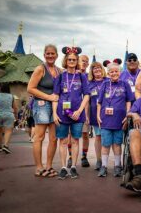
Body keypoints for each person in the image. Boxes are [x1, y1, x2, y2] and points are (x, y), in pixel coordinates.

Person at [53, 47, 89, 180]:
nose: (72, 61)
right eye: (70, 59)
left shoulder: (82, 76)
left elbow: (86, 95)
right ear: (66, 61)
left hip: (77, 115)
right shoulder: (60, 76)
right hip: (62, 114)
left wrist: (79, 111)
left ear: (77, 61)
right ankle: (63, 167)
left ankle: (73, 166)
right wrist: (54, 114)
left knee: (75, 140)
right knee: (62, 141)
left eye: (74, 59)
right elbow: (56, 96)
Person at [27, 44, 60, 177]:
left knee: (53, 138)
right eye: (48, 53)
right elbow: (30, 88)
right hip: (41, 104)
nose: (50, 56)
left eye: (53, 53)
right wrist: (48, 97)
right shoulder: (40, 69)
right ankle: (39, 167)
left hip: (55, 106)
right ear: (44, 55)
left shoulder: (59, 71)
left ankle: (49, 166)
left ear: (57, 55)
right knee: (39, 137)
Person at [97, 59, 133, 177]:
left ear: (119, 72)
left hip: (120, 119)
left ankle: (118, 166)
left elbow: (128, 101)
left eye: (116, 71)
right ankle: (104, 167)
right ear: (108, 73)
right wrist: (98, 115)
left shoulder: (125, 84)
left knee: (117, 144)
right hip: (105, 120)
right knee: (105, 144)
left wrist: (127, 115)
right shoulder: (105, 84)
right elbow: (99, 102)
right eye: (111, 72)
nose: (114, 73)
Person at [67, 54, 91, 168]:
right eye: (82, 60)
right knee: (71, 135)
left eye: (86, 61)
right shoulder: (70, 74)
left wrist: (86, 114)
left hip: (85, 109)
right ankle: (71, 156)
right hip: (72, 109)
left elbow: (88, 96)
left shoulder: (89, 77)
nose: (84, 63)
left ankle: (84, 156)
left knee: (85, 134)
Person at [87, 61, 108, 170]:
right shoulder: (89, 83)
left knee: (109, 137)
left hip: (109, 115)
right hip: (95, 114)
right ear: (92, 71)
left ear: (102, 69)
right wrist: (86, 115)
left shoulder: (108, 81)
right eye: (94, 68)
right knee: (98, 137)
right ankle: (99, 160)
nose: (97, 69)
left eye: (99, 67)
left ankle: (113, 162)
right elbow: (87, 101)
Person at [0, 83, 18, 153]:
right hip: (8, 115)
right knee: (8, 131)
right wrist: (16, 116)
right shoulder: (11, 96)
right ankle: (6, 145)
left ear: (0, 89)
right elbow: (15, 108)